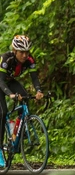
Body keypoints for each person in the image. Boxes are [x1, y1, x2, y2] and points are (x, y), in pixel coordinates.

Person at [0, 35, 44, 167]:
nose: (25, 55)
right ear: (15, 51)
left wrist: (38, 91)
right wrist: (10, 95)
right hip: (0, 82)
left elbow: (34, 78)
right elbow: (0, 81)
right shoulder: (6, 59)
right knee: (2, 112)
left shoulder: (30, 60)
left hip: (10, 81)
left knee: (25, 97)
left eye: (27, 52)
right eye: (22, 52)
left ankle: (17, 131)